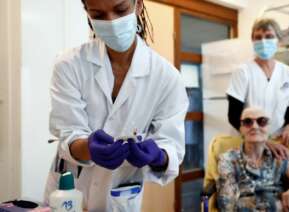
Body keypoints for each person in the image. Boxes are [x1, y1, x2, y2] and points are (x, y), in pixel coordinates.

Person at [44, 0, 189, 211]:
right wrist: (88, 148)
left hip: (120, 198)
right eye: (98, 15)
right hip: (68, 195)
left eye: (121, 10)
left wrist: (158, 155)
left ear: (138, 5)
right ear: (87, 13)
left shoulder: (167, 77)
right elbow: (68, 132)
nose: (111, 22)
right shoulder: (69, 65)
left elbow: (172, 147)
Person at [217, 106, 289, 212]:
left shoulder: (277, 159)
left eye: (262, 121)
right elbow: (227, 206)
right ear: (241, 129)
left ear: (268, 128)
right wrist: (276, 206)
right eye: (248, 122)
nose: (255, 126)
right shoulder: (228, 160)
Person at [226, 18, 289, 159]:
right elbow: (234, 115)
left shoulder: (288, 73)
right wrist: (263, 140)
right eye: (258, 37)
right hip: (248, 140)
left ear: (279, 41)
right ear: (252, 41)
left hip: (278, 139)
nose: (263, 41)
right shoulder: (243, 72)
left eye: (269, 37)